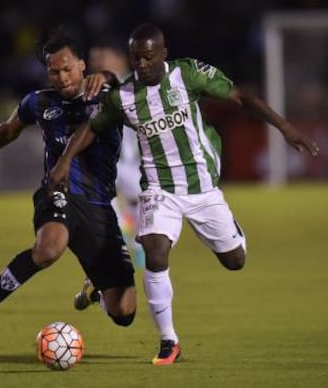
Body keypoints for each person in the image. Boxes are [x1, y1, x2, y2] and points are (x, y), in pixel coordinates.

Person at [49, 23, 320, 365]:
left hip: (203, 186)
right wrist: (64, 163)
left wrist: (285, 128)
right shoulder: (124, 97)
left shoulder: (188, 74)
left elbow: (241, 97)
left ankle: (230, 232)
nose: (141, 65)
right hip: (159, 189)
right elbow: (91, 127)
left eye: (148, 57)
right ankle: (168, 341)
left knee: (235, 260)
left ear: (163, 53)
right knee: (155, 251)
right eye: (135, 58)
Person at [0, 34, 137, 359]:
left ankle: (95, 288)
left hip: (99, 206)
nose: (62, 78)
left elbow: (141, 91)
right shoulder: (40, 102)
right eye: (54, 72)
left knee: (124, 311)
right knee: (48, 249)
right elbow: (8, 129)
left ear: (83, 65)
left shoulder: (108, 97)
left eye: (68, 69)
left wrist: (112, 77)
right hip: (57, 193)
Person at [89, 41, 145, 268]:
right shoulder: (91, 88)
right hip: (107, 161)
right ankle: (119, 245)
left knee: (143, 205)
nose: (98, 63)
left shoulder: (135, 85)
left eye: (103, 56)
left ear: (119, 60)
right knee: (101, 204)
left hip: (134, 161)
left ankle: (138, 246)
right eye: (95, 58)